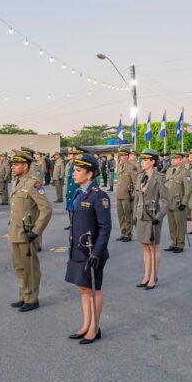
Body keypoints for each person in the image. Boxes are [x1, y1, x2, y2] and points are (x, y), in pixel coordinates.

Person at [65, 154, 111, 344]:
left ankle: (95, 328)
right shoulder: (79, 193)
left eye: (78, 171)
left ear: (90, 173)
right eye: (74, 170)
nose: (74, 174)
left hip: (92, 251)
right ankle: (86, 325)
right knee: (83, 289)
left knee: (94, 289)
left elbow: (105, 227)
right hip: (78, 248)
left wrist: (97, 253)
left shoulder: (99, 196)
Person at [8, 150, 52, 312]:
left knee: (30, 268)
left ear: (25, 166)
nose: (13, 167)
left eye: (16, 164)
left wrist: (36, 231)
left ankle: (32, 298)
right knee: (19, 267)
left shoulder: (33, 183)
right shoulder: (17, 182)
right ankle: (24, 295)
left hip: (27, 233)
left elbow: (46, 209)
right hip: (15, 232)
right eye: (12, 164)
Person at [134, 149, 169, 290]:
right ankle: (146, 276)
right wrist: (134, 216)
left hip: (153, 216)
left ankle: (153, 276)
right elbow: (137, 198)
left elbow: (166, 201)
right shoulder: (140, 176)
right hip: (141, 216)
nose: (142, 163)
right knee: (145, 246)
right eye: (142, 160)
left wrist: (159, 217)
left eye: (145, 160)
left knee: (153, 247)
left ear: (153, 161)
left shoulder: (159, 178)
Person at [164, 151, 191, 253]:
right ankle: (173, 242)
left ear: (180, 160)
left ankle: (180, 244)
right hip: (169, 201)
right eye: (172, 159)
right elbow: (166, 185)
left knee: (180, 224)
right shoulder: (169, 170)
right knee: (172, 224)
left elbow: (188, 189)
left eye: (175, 159)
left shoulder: (185, 172)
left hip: (179, 202)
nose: (173, 160)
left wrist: (184, 203)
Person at [115, 148, 136, 241]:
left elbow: (135, 183)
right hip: (119, 194)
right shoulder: (120, 166)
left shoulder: (132, 167)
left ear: (127, 156)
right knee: (121, 215)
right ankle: (123, 232)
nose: (120, 157)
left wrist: (133, 195)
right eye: (120, 156)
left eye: (122, 156)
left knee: (128, 215)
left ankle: (128, 234)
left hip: (127, 195)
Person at [64, 147, 81, 230]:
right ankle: (71, 224)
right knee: (70, 207)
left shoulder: (77, 165)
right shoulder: (69, 164)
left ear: (75, 155)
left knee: (75, 208)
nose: (68, 155)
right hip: (70, 189)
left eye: (70, 154)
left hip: (75, 188)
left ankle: (75, 224)